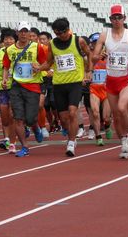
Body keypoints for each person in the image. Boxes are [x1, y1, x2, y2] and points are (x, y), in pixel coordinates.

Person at [92, 4, 128, 159]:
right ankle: (123, 140)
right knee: (115, 113)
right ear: (110, 19)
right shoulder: (104, 35)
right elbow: (94, 56)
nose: (116, 20)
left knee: (122, 107)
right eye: (114, 18)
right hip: (111, 80)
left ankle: (127, 131)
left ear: (124, 18)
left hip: (126, 79)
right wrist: (99, 55)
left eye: (119, 17)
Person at [38, 18, 92, 157]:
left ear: (68, 29)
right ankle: (71, 135)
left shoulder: (78, 41)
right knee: (64, 118)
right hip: (59, 84)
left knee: (73, 112)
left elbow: (89, 54)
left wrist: (89, 71)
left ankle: (71, 142)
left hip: (75, 83)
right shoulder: (52, 44)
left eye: (62, 33)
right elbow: (49, 63)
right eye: (56, 33)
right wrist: (38, 68)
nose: (60, 36)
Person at [3, 22, 48, 157]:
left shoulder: (37, 47)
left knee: (30, 118)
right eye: (21, 31)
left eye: (26, 31)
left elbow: (46, 63)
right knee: (18, 118)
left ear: (30, 33)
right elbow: (6, 66)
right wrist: (5, 79)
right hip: (16, 85)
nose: (23, 34)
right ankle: (24, 146)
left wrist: (39, 68)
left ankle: (35, 126)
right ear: (17, 33)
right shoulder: (10, 49)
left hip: (33, 86)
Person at [0, 30, 18, 152]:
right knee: (4, 115)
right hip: (1, 88)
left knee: (13, 114)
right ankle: (6, 138)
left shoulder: (19, 53)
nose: (8, 41)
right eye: (6, 39)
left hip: (16, 86)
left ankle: (10, 141)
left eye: (11, 39)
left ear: (15, 40)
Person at [88, 32, 111, 145]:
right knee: (95, 112)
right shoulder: (88, 57)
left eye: (99, 43)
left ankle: (107, 126)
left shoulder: (109, 56)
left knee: (106, 117)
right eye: (94, 43)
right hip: (94, 89)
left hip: (107, 90)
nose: (96, 45)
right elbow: (86, 71)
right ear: (91, 45)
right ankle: (98, 136)